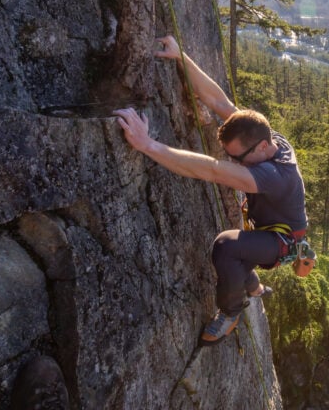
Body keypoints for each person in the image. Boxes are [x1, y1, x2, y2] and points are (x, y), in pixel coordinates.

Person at [114, 36, 307, 345]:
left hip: (283, 242)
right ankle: (253, 285)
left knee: (227, 246)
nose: (233, 162)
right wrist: (181, 57)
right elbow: (219, 103)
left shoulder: (274, 175)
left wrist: (147, 144)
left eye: (237, 158)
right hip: (272, 229)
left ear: (260, 147)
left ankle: (231, 311)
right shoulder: (269, 140)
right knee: (243, 248)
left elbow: (210, 170)